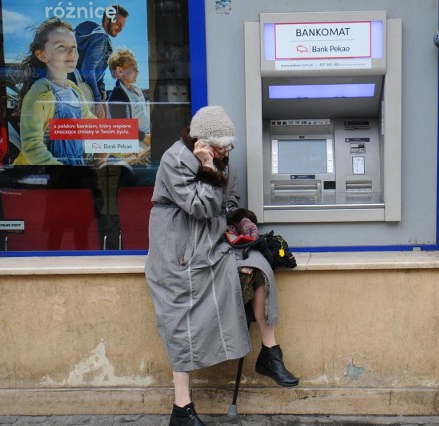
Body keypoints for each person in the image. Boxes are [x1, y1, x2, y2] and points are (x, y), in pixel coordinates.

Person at [145, 106, 298, 425]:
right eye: (221, 147)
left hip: (213, 240)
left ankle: (270, 353)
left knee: (259, 266)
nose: (227, 152)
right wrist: (207, 166)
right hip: (180, 248)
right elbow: (199, 207)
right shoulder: (175, 159)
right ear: (202, 142)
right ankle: (181, 408)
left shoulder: (221, 157)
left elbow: (227, 202)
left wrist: (240, 220)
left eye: (229, 146)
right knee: (179, 318)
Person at [13, 18, 96, 166]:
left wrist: (129, 145)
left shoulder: (75, 91)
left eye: (74, 46)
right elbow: (32, 146)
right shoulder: (39, 94)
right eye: (61, 47)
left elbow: (94, 128)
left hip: (76, 170)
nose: (71, 52)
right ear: (42, 55)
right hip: (52, 178)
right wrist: (61, 173)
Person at [73, 4, 129, 119]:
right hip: (83, 94)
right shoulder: (101, 38)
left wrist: (102, 94)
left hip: (75, 91)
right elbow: (88, 70)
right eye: (118, 24)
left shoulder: (94, 33)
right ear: (107, 19)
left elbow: (98, 72)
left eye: (123, 26)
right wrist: (97, 101)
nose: (120, 29)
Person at [106, 47, 151, 165]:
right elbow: (122, 129)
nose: (138, 72)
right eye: (133, 68)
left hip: (145, 143)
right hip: (135, 150)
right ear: (120, 71)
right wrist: (146, 138)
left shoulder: (134, 90)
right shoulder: (118, 96)